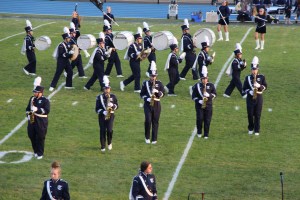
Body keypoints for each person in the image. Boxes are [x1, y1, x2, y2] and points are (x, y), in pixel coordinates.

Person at [140, 61, 164, 144]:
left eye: (154, 76)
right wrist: (147, 98)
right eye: (151, 76)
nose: (153, 77)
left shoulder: (159, 83)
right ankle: (147, 137)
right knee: (148, 120)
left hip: (157, 104)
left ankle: (154, 138)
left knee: (155, 121)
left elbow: (163, 94)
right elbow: (141, 94)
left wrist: (157, 92)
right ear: (149, 76)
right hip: (147, 104)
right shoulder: (145, 83)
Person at [242, 56, 267, 136]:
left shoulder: (262, 77)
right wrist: (249, 92)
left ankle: (257, 130)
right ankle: (250, 128)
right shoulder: (248, 78)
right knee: (250, 114)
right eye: (253, 70)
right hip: (250, 98)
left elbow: (265, 86)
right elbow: (244, 89)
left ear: (258, 69)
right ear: (251, 70)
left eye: (255, 70)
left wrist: (259, 86)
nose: (254, 71)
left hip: (259, 98)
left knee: (257, 114)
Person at [26, 85, 50, 159]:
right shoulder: (32, 99)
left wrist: (37, 109)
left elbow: (46, 111)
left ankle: (40, 153)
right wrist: (30, 117)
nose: (34, 93)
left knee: (40, 137)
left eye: (36, 92)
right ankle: (35, 151)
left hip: (41, 121)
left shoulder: (45, 100)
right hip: (32, 118)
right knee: (31, 135)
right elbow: (27, 109)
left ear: (40, 93)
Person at [95, 76, 118, 152]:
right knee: (102, 130)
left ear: (110, 88)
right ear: (103, 89)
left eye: (108, 88)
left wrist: (113, 106)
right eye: (105, 88)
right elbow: (97, 109)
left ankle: (109, 142)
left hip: (111, 115)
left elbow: (117, 105)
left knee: (109, 130)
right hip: (102, 116)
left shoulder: (113, 96)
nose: (107, 90)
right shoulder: (99, 97)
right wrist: (103, 111)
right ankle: (102, 146)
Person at [191, 75, 216, 139]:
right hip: (199, 106)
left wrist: (209, 95)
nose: (204, 80)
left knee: (207, 120)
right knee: (199, 118)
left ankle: (206, 134)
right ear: (201, 79)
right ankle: (199, 132)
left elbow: (214, 94)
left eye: (206, 79)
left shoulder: (211, 85)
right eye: (203, 79)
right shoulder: (197, 86)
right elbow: (193, 96)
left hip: (208, 105)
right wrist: (198, 100)